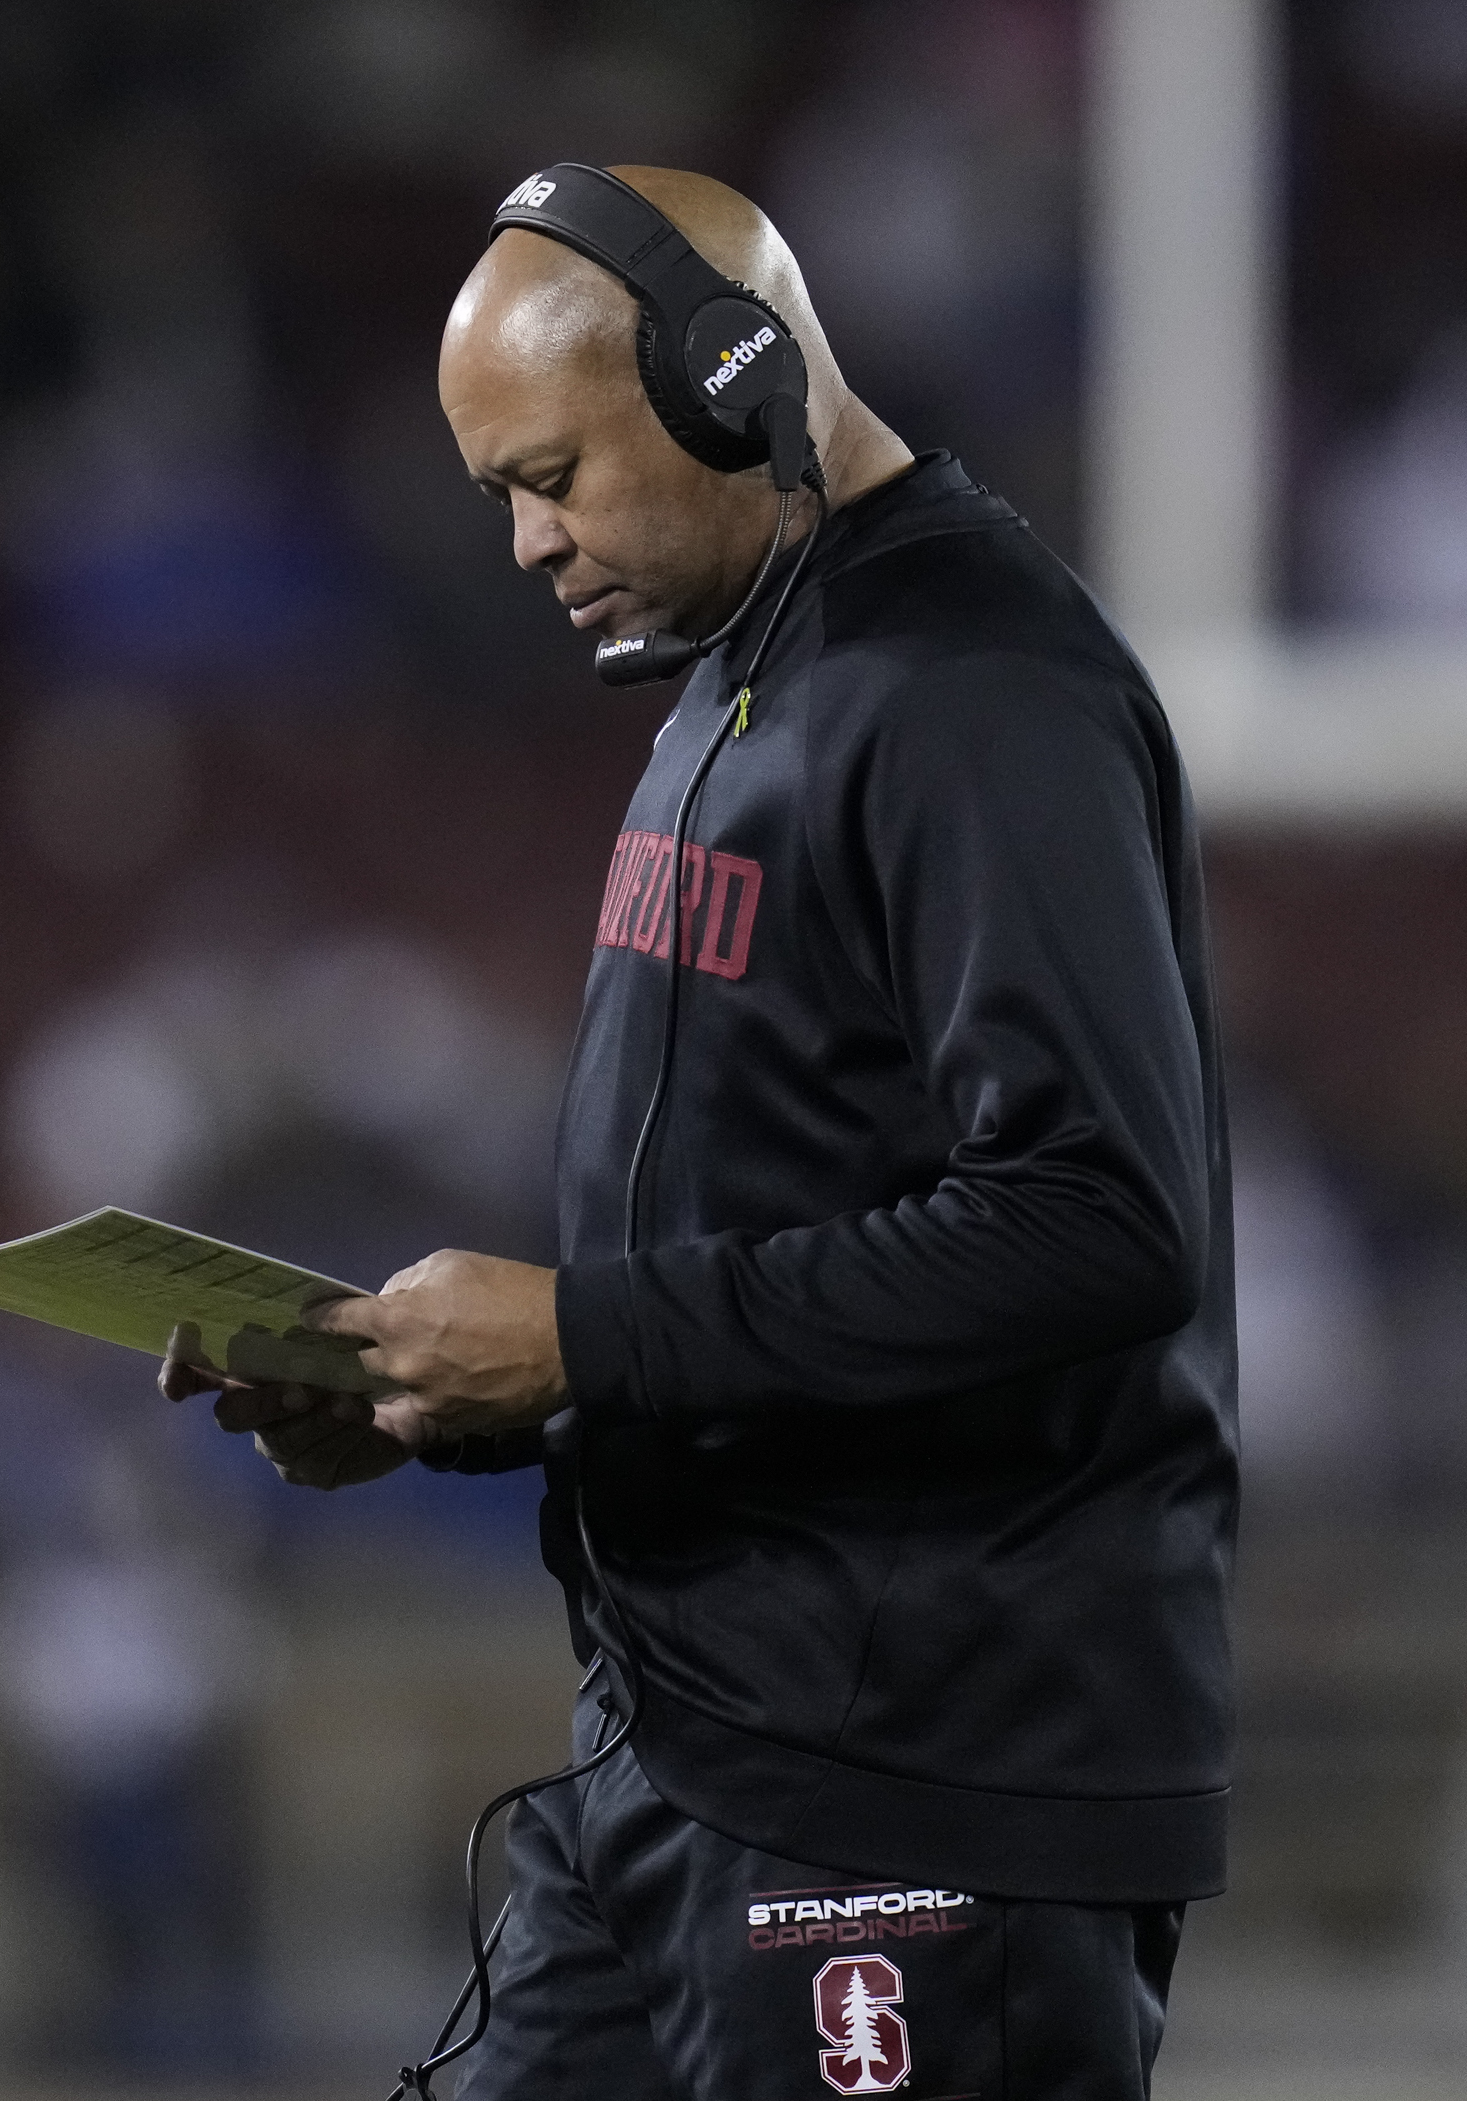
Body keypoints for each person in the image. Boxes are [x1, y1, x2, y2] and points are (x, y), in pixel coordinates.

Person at [159, 164, 1234, 2101]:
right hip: (689, 1749)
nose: (521, 543)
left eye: (550, 476)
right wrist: (485, 1398)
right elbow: (789, 1230)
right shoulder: (748, 679)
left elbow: (1096, 1219)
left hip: (923, 1787)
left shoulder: (978, 695)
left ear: (736, 383)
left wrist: (583, 1337)